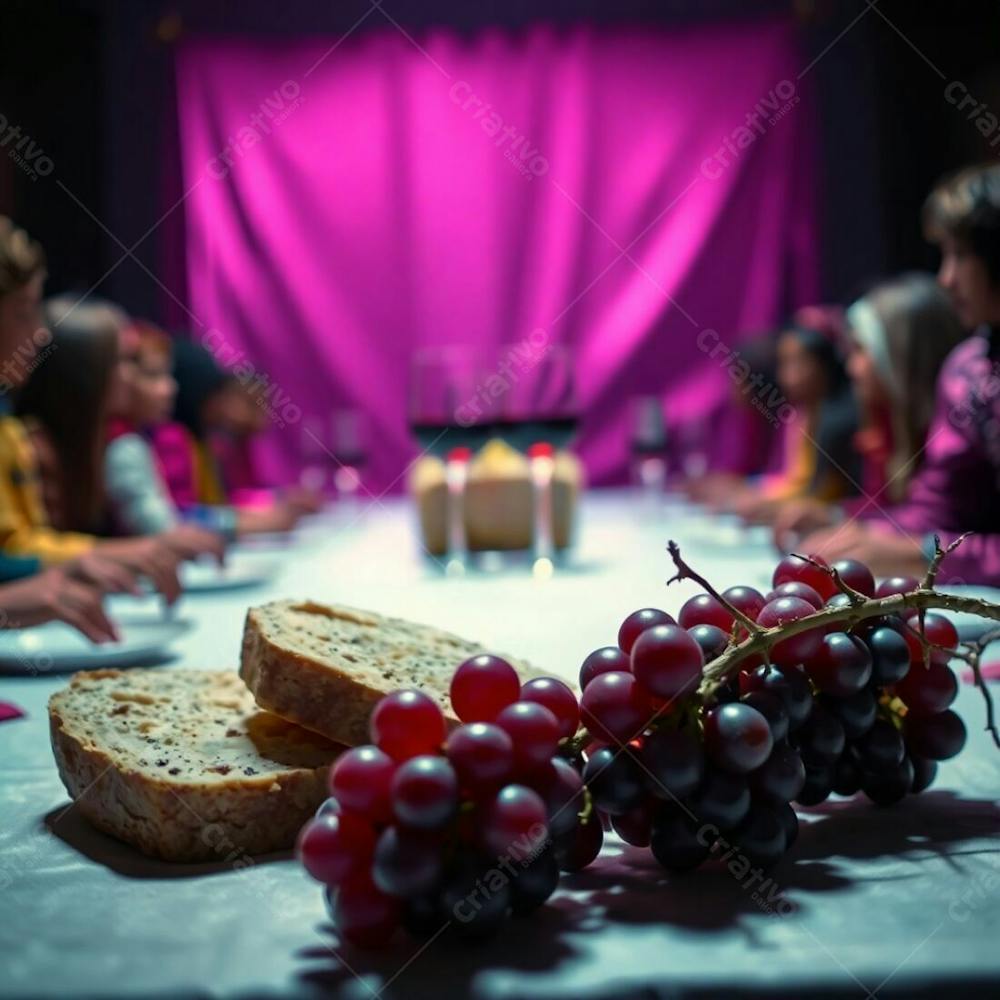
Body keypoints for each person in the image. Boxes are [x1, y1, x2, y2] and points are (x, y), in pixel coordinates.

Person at [789, 163, 1000, 582]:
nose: (946, 278)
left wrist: (927, 555)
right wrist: (853, 528)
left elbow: (927, 538)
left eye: (961, 255)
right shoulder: (968, 370)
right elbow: (935, 511)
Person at [9, 293, 225, 600]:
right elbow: (14, 552)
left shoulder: (94, 445)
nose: (131, 375)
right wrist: (127, 551)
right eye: (123, 361)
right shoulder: (30, 446)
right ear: (83, 373)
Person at [773, 274, 965, 548]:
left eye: (860, 350)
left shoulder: (950, 429)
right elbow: (906, 514)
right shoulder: (889, 422)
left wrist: (911, 552)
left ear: (902, 355)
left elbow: (938, 523)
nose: (851, 367)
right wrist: (838, 516)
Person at [161, 338, 320, 533]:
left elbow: (225, 499)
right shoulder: (174, 439)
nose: (263, 421)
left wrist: (276, 498)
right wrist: (263, 516)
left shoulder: (212, 442)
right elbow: (179, 513)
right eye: (251, 406)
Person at [104, 320, 237, 539]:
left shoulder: (146, 437)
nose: (170, 388)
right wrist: (247, 522)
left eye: (169, 375)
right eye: (153, 375)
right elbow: (165, 526)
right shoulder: (131, 444)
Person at [726, 314, 860, 522]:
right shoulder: (801, 416)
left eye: (799, 364)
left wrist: (754, 494)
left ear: (826, 366)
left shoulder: (839, 423)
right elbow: (799, 482)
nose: (788, 377)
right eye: (785, 364)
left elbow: (820, 492)